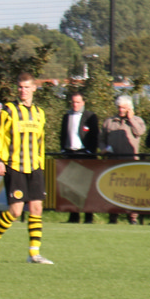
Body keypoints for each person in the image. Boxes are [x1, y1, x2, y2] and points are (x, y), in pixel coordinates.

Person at [0, 72, 52, 264]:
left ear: (34, 88)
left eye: (27, 87)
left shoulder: (39, 113)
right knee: (15, 211)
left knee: (36, 208)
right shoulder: (9, 110)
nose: (23, 91)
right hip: (15, 166)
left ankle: (34, 254)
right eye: (20, 87)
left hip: (35, 166)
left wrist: (41, 164)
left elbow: (40, 141)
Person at [101, 95, 146, 224]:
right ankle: (113, 217)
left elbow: (140, 132)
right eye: (119, 107)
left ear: (129, 108)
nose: (120, 110)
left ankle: (133, 218)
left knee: (132, 192)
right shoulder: (109, 121)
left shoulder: (137, 120)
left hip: (130, 163)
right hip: (113, 162)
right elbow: (101, 139)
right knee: (113, 191)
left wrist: (131, 119)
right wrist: (103, 148)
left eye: (124, 108)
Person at [60, 92, 99, 223]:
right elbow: (63, 134)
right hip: (70, 154)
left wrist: (90, 151)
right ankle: (74, 216)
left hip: (84, 154)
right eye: (73, 102)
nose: (75, 105)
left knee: (87, 187)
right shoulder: (67, 116)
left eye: (77, 102)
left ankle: (89, 216)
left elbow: (95, 136)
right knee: (71, 188)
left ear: (83, 102)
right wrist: (63, 149)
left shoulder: (90, 116)